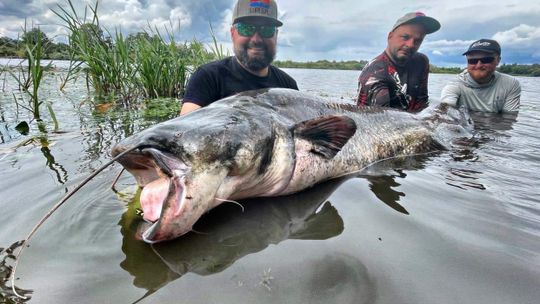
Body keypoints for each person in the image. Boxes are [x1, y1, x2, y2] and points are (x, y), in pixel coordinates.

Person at [180, 0, 298, 115]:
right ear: (232, 33)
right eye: (246, 29)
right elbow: (184, 129)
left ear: (276, 35)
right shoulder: (207, 78)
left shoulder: (288, 87)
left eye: (266, 30)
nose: (256, 39)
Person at [356, 12, 441, 112]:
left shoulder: (421, 62)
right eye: (405, 37)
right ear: (390, 36)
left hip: (411, 121)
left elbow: (422, 103)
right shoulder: (375, 72)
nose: (410, 45)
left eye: (418, 40)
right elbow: (379, 119)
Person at [441, 39, 521, 112]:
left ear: (498, 60)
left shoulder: (511, 84)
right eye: (473, 61)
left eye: (486, 60)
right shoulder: (455, 84)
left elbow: (509, 119)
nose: (478, 65)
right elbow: (445, 108)